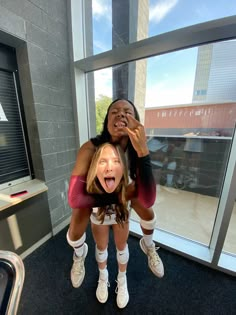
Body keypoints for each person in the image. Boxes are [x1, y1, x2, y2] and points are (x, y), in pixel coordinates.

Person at [67, 99, 164, 290]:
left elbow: (148, 198)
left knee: (148, 211)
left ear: (135, 120)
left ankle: (149, 245)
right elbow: (75, 198)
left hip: (123, 199)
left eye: (127, 112)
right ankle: (79, 254)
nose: (121, 114)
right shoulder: (91, 147)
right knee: (77, 219)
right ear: (106, 122)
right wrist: (121, 194)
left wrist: (143, 150)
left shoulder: (138, 148)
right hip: (97, 194)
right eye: (115, 111)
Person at [87, 142, 130, 308]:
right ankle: (103, 277)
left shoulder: (129, 184)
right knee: (101, 247)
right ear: (95, 166)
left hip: (120, 214)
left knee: (121, 247)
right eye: (103, 161)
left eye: (116, 161)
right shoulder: (90, 188)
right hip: (99, 215)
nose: (109, 168)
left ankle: (122, 278)